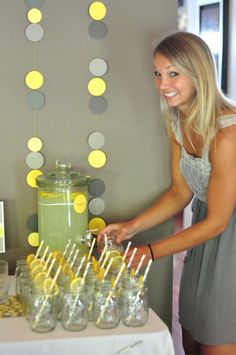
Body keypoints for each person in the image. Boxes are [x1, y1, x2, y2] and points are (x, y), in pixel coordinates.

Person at [97, 31, 236, 355]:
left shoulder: (228, 134)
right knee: (190, 338)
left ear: (198, 73)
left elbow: (218, 221)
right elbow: (179, 193)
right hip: (204, 240)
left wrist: (150, 252)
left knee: (218, 342)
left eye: (173, 73)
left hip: (228, 242)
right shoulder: (178, 121)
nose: (162, 84)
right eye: (158, 73)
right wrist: (132, 227)